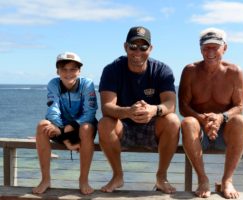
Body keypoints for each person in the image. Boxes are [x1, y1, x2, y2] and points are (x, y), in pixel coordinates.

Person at [98, 26, 180, 194]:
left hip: (153, 128)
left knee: (172, 120)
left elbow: (170, 104)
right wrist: (128, 111)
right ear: (125, 47)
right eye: (133, 46)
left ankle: (161, 177)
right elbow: (107, 107)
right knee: (105, 123)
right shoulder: (111, 70)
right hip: (124, 127)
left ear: (150, 48)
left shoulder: (162, 70)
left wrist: (152, 110)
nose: (138, 51)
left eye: (143, 47)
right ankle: (117, 176)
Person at [178, 28, 243, 199]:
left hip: (225, 133)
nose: (210, 52)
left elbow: (239, 106)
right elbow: (183, 106)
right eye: (206, 47)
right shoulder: (190, 71)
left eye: (215, 47)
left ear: (225, 48)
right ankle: (203, 179)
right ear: (200, 48)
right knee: (187, 122)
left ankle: (227, 180)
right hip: (199, 132)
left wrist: (220, 117)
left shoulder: (234, 72)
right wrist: (202, 119)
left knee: (241, 121)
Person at [32, 52, 98, 195]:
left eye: (73, 69)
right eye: (64, 69)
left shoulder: (87, 84)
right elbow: (52, 110)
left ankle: (83, 180)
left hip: (80, 127)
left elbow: (90, 112)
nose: (68, 73)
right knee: (42, 125)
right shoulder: (53, 83)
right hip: (60, 127)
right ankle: (45, 179)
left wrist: (64, 130)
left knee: (86, 127)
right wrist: (59, 129)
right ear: (57, 71)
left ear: (79, 71)